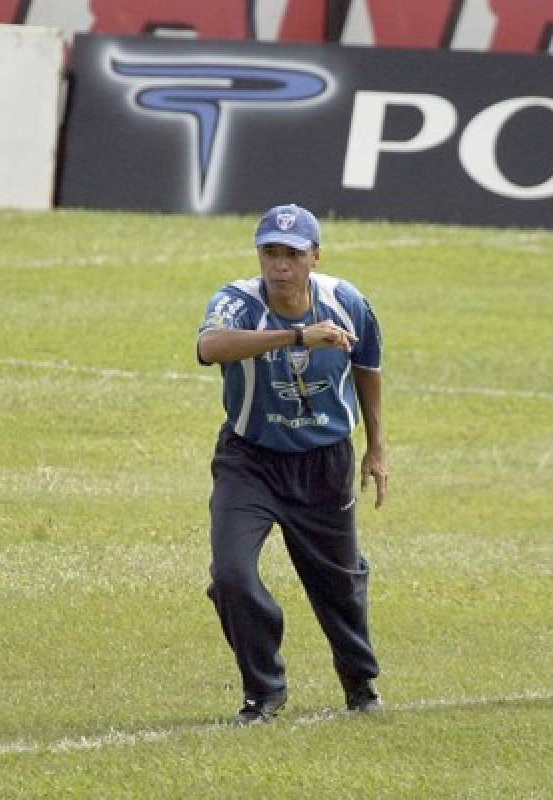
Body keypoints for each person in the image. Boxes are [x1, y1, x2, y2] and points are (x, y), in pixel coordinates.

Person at [197, 203, 388, 724]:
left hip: (324, 460)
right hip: (249, 460)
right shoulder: (236, 302)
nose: (280, 266)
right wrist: (297, 336)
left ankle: (360, 682)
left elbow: (368, 369)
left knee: (338, 580)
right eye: (270, 253)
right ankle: (265, 690)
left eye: (293, 254)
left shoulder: (347, 301)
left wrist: (376, 447)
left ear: (315, 256)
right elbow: (211, 347)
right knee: (232, 575)